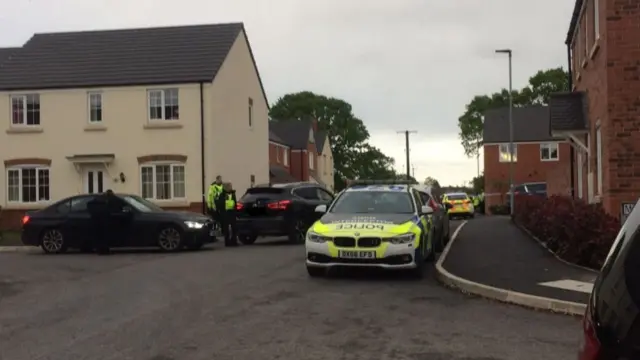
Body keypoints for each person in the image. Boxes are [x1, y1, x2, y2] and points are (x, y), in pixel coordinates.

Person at [87, 189, 117, 255]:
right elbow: (106, 210)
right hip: (101, 220)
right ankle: (103, 250)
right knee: (103, 236)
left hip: (97, 220)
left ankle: (101, 250)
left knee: (100, 236)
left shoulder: (99, 199)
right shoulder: (103, 200)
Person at [215, 182, 238, 247]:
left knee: (234, 228)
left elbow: (235, 203)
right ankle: (227, 242)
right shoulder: (222, 195)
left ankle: (234, 241)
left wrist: (235, 212)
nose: (230, 187)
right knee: (226, 229)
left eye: (231, 186)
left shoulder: (233, 194)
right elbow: (219, 204)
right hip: (225, 213)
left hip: (232, 213)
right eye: (229, 186)